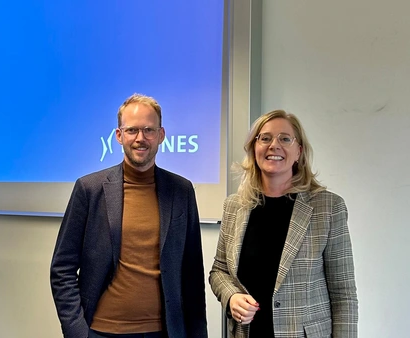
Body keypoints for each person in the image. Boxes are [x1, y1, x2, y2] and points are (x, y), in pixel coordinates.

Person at [50, 93, 208, 338]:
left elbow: (192, 275)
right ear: (119, 135)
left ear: (161, 135)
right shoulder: (89, 189)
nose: (140, 138)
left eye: (148, 130)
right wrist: (77, 332)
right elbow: (62, 268)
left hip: (165, 332)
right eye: (132, 130)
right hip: (102, 331)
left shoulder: (181, 190)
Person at [209, 110, 358, 337]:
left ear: (299, 151)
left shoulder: (328, 207)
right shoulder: (234, 206)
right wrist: (231, 296)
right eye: (265, 138)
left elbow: (343, 293)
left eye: (285, 139)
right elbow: (219, 270)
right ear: (254, 149)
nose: (274, 145)